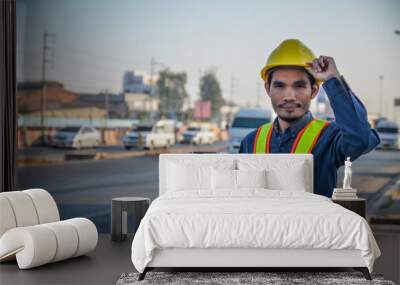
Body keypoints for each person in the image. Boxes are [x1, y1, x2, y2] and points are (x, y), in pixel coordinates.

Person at [239, 39, 380, 197]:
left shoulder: (329, 137)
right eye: (280, 86)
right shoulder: (250, 142)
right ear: (268, 89)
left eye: (299, 86)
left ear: (313, 91)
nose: (289, 96)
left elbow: (359, 139)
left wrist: (333, 80)